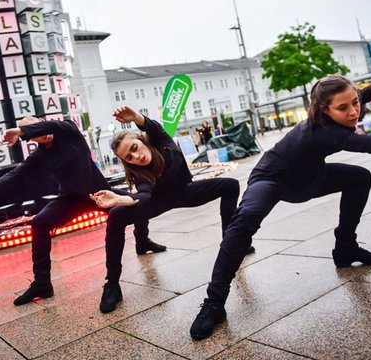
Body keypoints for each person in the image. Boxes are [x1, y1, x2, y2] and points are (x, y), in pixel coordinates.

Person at [189, 26, 371, 340]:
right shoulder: (326, 130)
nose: (353, 111)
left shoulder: (344, 105)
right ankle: (213, 304)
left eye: (355, 103)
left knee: (358, 178)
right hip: (272, 178)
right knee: (244, 223)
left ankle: (345, 248)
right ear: (324, 110)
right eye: (344, 108)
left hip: (310, 177)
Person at [0, 116, 161, 306]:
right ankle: (42, 284)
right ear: (32, 140)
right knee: (39, 222)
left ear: (41, 122)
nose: (41, 134)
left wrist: (21, 130)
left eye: (36, 127)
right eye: (34, 135)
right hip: (70, 199)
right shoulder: (40, 156)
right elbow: (16, 174)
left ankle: (142, 241)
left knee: (134, 202)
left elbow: (52, 126)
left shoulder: (68, 130)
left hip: (99, 193)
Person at [90, 106, 253, 313]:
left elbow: (153, 127)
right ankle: (112, 284)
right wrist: (121, 199)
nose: (136, 156)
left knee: (229, 185)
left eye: (134, 147)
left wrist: (137, 117)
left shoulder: (162, 142)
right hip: (156, 202)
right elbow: (143, 195)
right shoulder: (140, 173)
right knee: (116, 215)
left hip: (185, 192)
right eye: (129, 158)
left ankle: (232, 242)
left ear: (142, 140)